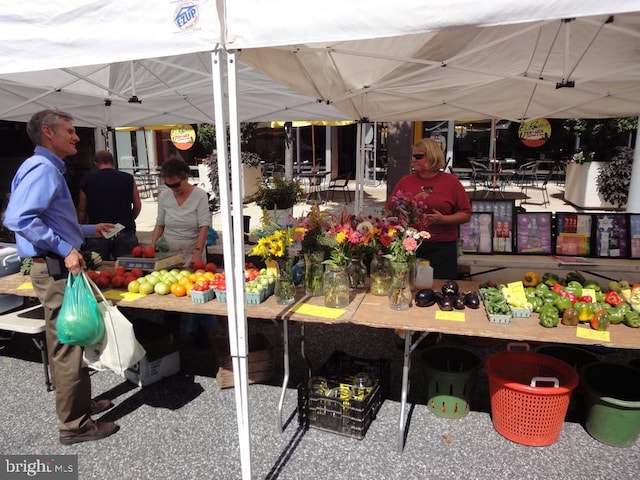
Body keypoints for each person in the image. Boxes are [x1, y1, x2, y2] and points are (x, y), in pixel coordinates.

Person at [3, 109, 119, 445]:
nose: (77, 137)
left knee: (72, 338)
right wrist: (66, 248)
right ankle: (75, 425)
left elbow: (50, 219)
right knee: (68, 345)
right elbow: (20, 218)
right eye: (70, 131)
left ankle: (81, 404)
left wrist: (85, 229)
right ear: (48, 133)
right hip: (54, 267)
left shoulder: (43, 167)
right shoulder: (42, 168)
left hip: (54, 264)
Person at [150, 156, 216, 347]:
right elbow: (159, 223)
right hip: (170, 252)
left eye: (176, 184)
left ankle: (199, 337)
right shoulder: (164, 196)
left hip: (193, 247)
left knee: (197, 293)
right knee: (170, 294)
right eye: (169, 185)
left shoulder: (200, 196)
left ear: (186, 176)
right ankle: (171, 336)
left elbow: (204, 226)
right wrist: (152, 245)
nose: (173, 189)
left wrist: (197, 251)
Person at [387, 138, 472, 280]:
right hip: (411, 246)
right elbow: (390, 210)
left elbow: (466, 214)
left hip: (443, 247)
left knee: (441, 287)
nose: (413, 160)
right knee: (410, 286)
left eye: (418, 156)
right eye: (413, 156)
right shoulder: (405, 181)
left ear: (432, 156)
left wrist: (444, 219)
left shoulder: (451, 182)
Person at [77, 150, 142, 260]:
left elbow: (82, 210)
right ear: (113, 162)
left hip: (97, 233)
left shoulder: (87, 180)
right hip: (124, 231)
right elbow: (137, 206)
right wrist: (129, 219)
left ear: (95, 163)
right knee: (127, 270)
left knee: (98, 271)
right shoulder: (128, 178)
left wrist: (81, 228)